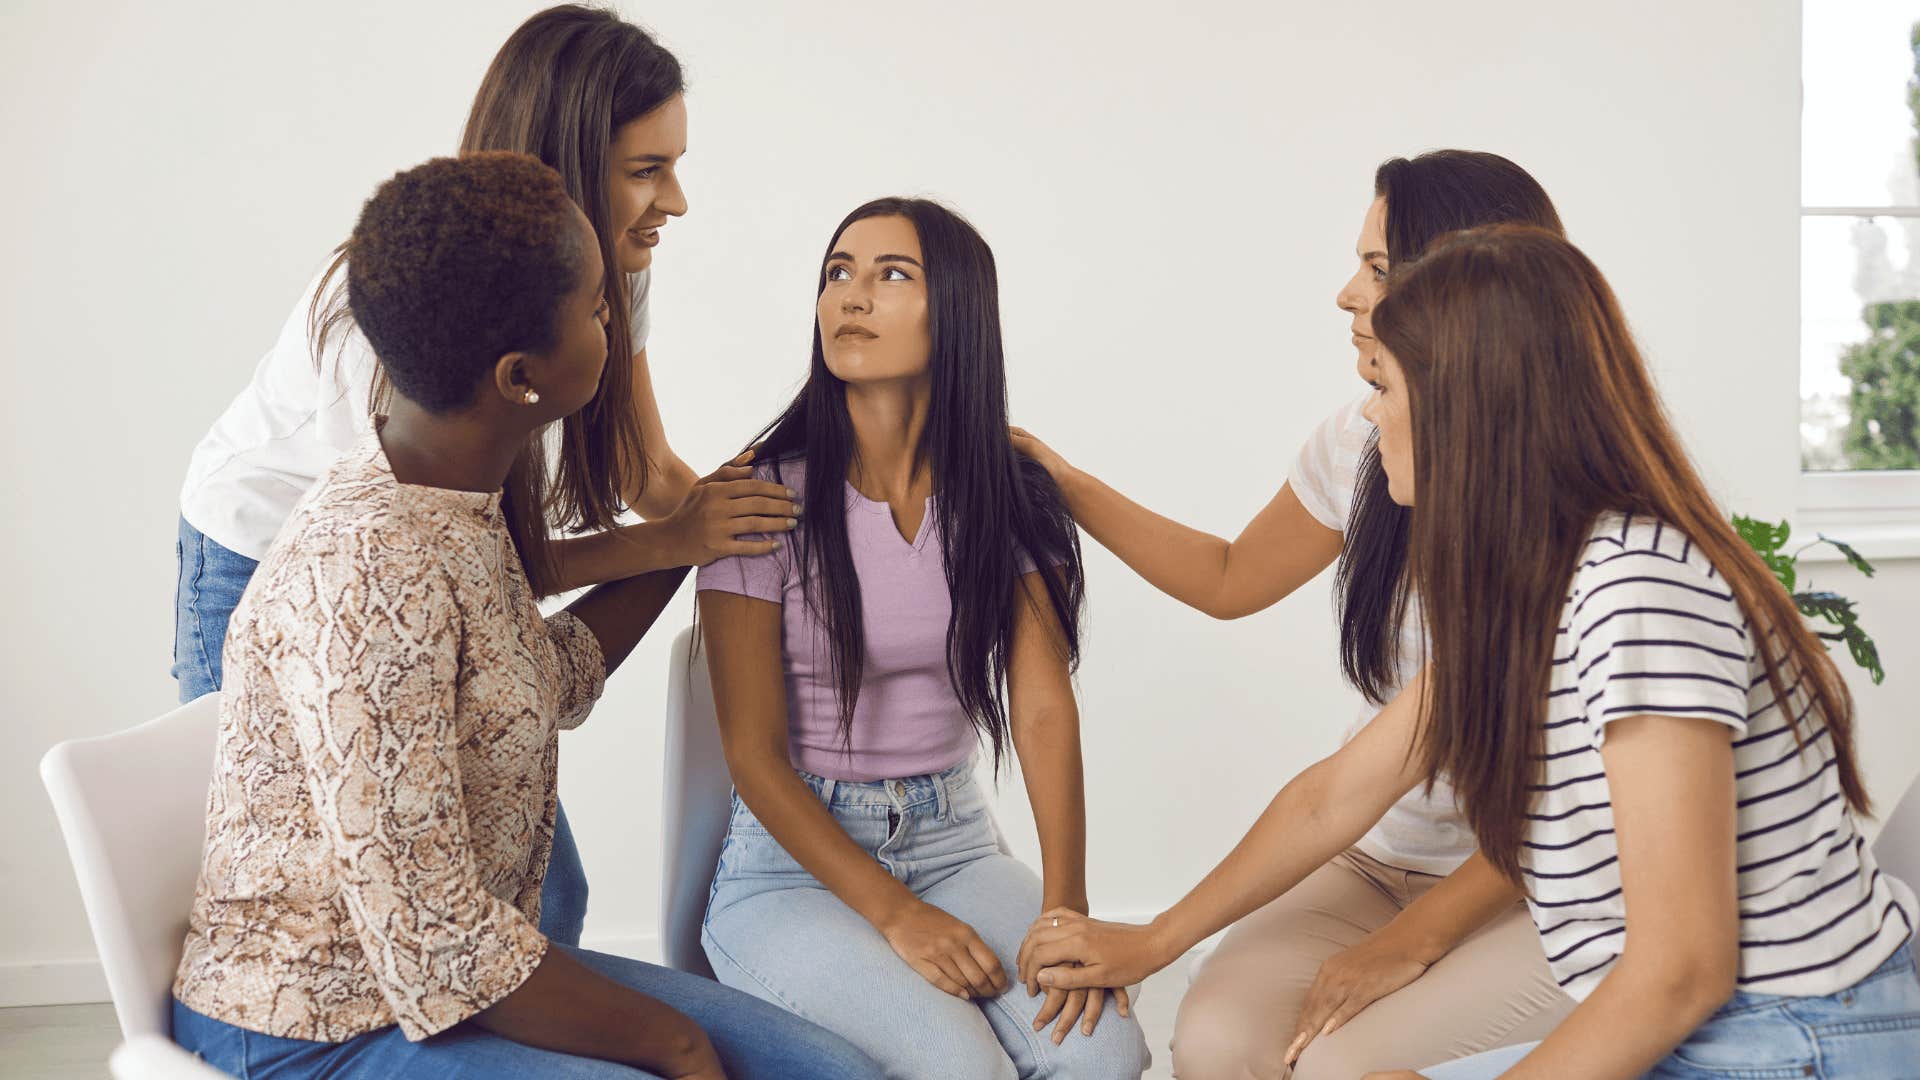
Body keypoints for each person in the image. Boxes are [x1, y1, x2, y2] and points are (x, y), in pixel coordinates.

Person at [1017, 225, 1920, 1079]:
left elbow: (1684, 970)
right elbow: (1338, 795)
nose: (1370, 416)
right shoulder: (1537, 578)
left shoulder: (1636, 590)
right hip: (1713, 1026)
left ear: (1465, 410)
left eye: (1387, 388)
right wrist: (1154, 937)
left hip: (1793, 1040)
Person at [170, 152, 883, 1080]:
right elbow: (433, 941)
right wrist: (674, 1043)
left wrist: (694, 530)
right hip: (323, 1022)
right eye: (595, 308)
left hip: (452, 973)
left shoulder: (453, 496)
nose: (614, 320)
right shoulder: (367, 577)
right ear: (519, 378)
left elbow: (551, 677)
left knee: (837, 1073)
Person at [171, 4, 798, 946]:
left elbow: (646, 470)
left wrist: (767, 533)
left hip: (442, 566)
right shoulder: (387, 322)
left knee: (542, 894)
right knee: (330, 918)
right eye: (646, 171)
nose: (676, 201)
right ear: (574, 161)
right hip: (267, 567)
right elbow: (444, 572)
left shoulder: (607, 269)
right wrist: (675, 541)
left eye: (676, 165)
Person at [1011, 151, 1576, 1077]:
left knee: (1332, 1060)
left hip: (1529, 882)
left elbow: (1550, 818)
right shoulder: (1368, 436)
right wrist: (1065, 482)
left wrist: (1410, 943)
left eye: (1380, 267)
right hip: (1377, 859)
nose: (1347, 293)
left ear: (1466, 288)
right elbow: (1231, 578)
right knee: (1220, 1043)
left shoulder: (1570, 529)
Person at [695, 198, 1152, 1079]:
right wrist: (896, 916)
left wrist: (1067, 913)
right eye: (838, 273)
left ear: (957, 315)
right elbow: (752, 756)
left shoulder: (1006, 495)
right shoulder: (760, 498)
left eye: (890, 275)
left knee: (1106, 1058)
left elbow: (1044, 708)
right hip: (790, 871)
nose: (851, 297)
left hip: (955, 845)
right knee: (960, 1070)